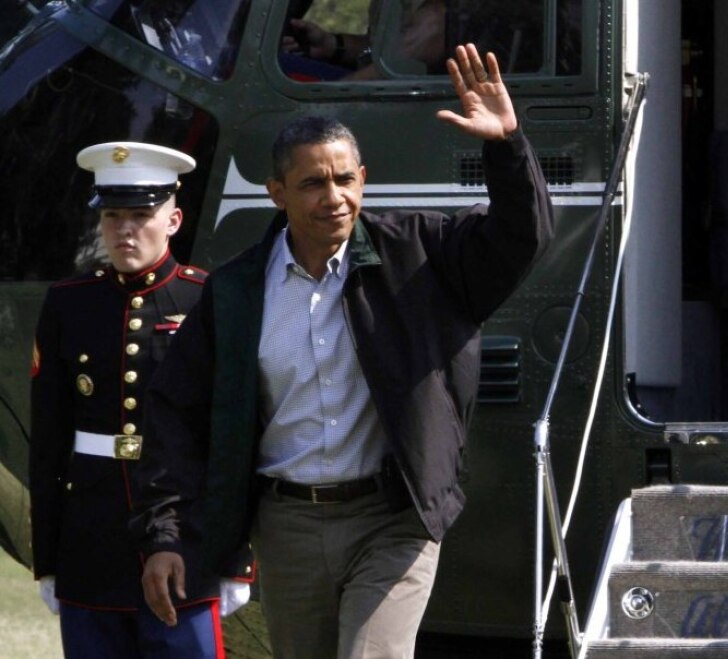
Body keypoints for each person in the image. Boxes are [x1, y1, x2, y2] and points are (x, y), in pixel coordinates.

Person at [132, 42, 553, 658]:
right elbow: (174, 416)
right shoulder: (236, 291)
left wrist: (507, 145)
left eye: (344, 179)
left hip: (395, 520)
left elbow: (523, 237)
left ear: (363, 180)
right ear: (277, 192)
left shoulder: (422, 253)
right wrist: (164, 534)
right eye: (311, 184)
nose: (333, 198)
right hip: (288, 526)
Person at [29, 142, 253, 658]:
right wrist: (48, 558)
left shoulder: (207, 300)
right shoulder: (69, 302)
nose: (124, 230)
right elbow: (48, 440)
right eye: (112, 216)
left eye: (140, 215)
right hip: (91, 537)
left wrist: (235, 558)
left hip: (184, 538)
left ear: (173, 219)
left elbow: (233, 437)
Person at [280, 0, 446, 80]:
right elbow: (384, 48)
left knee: (283, 67)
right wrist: (332, 45)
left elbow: (402, 64)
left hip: (399, 102)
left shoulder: (432, 13)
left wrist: (336, 91)